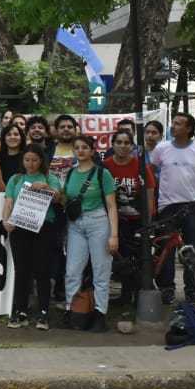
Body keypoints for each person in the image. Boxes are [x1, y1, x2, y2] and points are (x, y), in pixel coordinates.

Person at [149, 112, 195, 302]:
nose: (174, 126)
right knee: (166, 249)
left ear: (188, 129)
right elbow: (151, 175)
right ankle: (167, 288)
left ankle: (192, 289)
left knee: (191, 250)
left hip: (192, 206)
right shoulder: (161, 148)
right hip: (166, 206)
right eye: (173, 122)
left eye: (179, 124)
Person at [60, 135, 119, 332]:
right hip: (75, 225)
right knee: (72, 271)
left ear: (93, 151)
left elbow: (111, 206)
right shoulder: (69, 174)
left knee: (101, 270)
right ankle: (71, 310)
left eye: (85, 147)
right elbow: (64, 200)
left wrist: (114, 235)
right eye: (77, 147)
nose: (81, 150)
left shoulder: (103, 174)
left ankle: (100, 313)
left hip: (98, 222)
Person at [2, 145, 62, 330]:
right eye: (27, 160)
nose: (31, 164)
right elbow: (8, 200)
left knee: (42, 271)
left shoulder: (50, 178)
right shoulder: (16, 178)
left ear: (41, 161)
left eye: (34, 160)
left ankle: (43, 312)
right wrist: (5, 220)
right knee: (22, 271)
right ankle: (20, 310)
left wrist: (47, 188)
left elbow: (59, 199)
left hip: (43, 228)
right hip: (20, 228)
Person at [103, 129, 157, 304]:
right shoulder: (106, 166)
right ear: (113, 145)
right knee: (122, 259)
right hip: (115, 222)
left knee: (140, 259)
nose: (122, 146)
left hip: (137, 221)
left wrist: (148, 221)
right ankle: (125, 296)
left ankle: (138, 296)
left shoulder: (141, 166)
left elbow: (149, 193)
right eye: (119, 142)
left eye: (126, 143)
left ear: (132, 146)